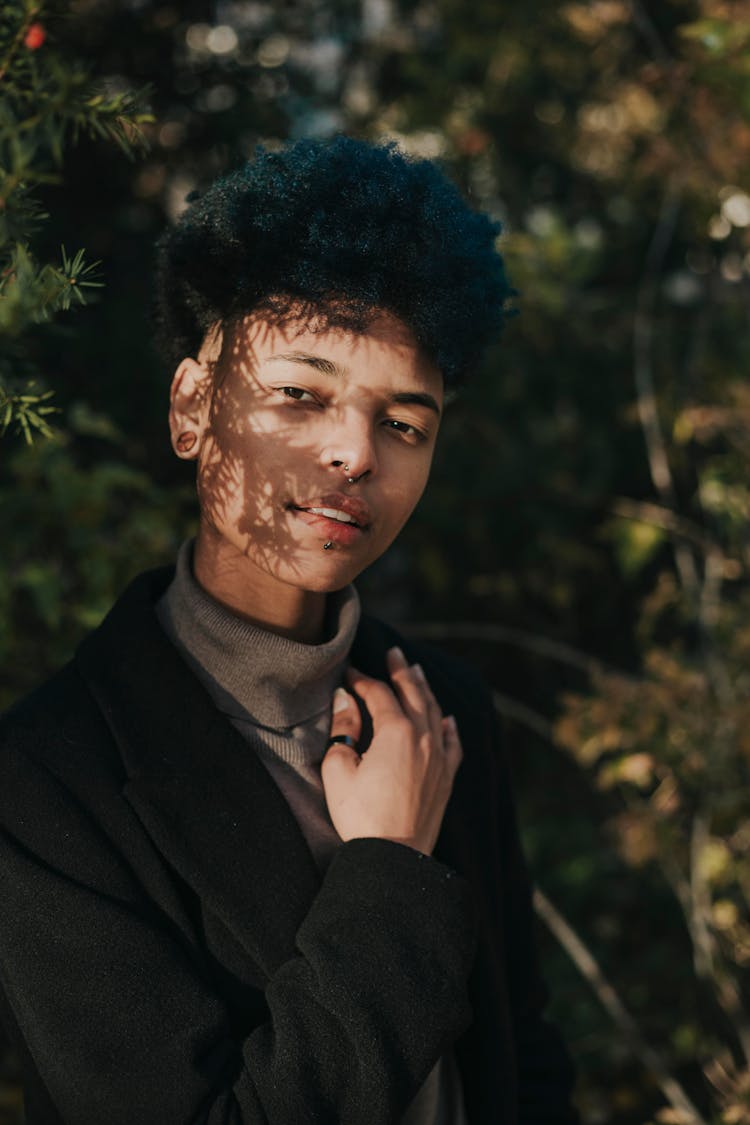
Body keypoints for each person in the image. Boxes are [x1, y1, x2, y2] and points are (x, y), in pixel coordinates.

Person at [0, 136, 578, 1124]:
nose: (354, 450)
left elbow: (523, 1069)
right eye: (300, 395)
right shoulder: (50, 782)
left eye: (404, 422)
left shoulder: (440, 713)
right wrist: (387, 874)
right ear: (193, 407)